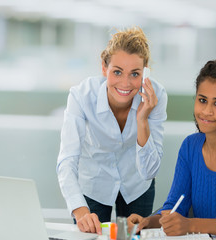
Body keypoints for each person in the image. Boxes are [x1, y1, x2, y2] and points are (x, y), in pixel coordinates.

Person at [127, 57, 216, 238]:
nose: (207, 111)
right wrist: (148, 222)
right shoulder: (190, 146)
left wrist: (190, 225)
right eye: (202, 100)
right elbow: (174, 208)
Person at [56, 26, 167, 234]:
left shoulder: (156, 97)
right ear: (104, 68)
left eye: (135, 73)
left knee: (130, 238)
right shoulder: (82, 96)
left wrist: (142, 119)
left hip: (136, 187)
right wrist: (80, 211)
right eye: (117, 72)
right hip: (94, 185)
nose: (125, 83)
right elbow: (67, 159)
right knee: (91, 235)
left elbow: (149, 171)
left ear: (145, 73)